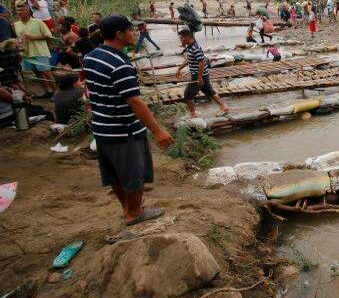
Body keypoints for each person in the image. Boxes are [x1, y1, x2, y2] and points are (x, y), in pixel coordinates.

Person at [83, 15, 174, 225]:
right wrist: (158, 131)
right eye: (131, 30)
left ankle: (127, 207)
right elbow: (134, 101)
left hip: (102, 127)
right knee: (134, 174)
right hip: (124, 129)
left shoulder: (91, 56)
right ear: (119, 34)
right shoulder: (120, 65)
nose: (135, 34)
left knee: (114, 173)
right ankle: (134, 214)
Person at [175, 28, 229, 118]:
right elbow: (189, 59)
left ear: (188, 37)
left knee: (188, 95)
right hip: (202, 74)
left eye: (182, 38)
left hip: (199, 75)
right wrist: (179, 68)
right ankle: (223, 106)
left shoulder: (195, 48)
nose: (181, 40)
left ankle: (193, 114)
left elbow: (202, 62)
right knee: (209, 91)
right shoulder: (190, 47)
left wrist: (199, 78)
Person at [14, 1, 56, 98]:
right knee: (38, 73)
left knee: (47, 73)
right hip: (26, 54)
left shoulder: (38, 22)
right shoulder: (15, 25)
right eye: (17, 10)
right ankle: (47, 92)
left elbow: (48, 36)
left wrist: (32, 37)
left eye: (22, 10)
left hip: (40, 51)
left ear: (28, 11)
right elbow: (16, 39)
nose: (19, 12)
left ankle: (57, 93)